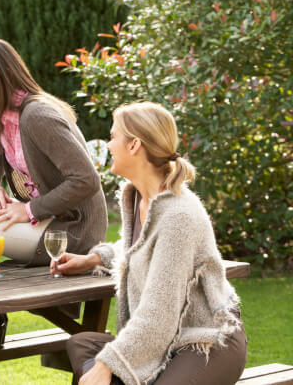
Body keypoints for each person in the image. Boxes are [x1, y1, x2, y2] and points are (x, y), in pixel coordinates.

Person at [0, 38, 108, 356]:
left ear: (0, 77)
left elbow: (86, 180)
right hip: (38, 218)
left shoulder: (37, 115)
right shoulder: (2, 117)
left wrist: (29, 209)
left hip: (69, 230)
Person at [57, 102, 247, 385]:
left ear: (134, 145)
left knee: (101, 365)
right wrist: (94, 259)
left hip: (204, 340)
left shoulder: (179, 215)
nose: (108, 145)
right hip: (167, 338)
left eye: (113, 137)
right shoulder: (138, 198)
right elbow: (140, 248)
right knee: (80, 344)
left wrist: (109, 364)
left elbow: (158, 316)